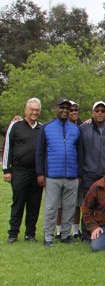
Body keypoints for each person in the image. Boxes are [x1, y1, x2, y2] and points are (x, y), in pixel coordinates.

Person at [36, 98, 81, 247]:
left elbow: (80, 152)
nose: (65, 110)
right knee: (51, 207)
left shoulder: (75, 129)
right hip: (52, 175)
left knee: (69, 207)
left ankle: (65, 235)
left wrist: (79, 174)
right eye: (62, 107)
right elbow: (40, 152)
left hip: (71, 175)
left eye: (68, 108)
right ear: (56, 108)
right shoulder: (46, 128)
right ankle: (48, 236)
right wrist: (40, 173)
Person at [77, 101, 105, 241]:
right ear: (93, 112)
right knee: (87, 204)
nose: (100, 113)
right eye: (97, 110)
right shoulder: (84, 128)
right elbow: (79, 151)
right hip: (88, 172)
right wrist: (80, 171)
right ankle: (86, 234)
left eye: (103, 110)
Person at [3, 98, 43, 243]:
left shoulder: (42, 128)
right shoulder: (16, 125)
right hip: (19, 171)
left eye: (37, 110)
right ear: (26, 110)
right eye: (32, 109)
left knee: (34, 204)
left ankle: (30, 233)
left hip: (37, 172)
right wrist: (6, 170)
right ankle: (13, 233)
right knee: (18, 203)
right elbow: (7, 147)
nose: (34, 112)